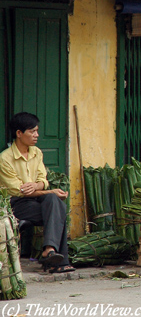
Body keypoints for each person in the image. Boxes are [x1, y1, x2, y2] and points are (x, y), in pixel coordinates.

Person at [0, 112, 74, 273]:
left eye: (37, 131)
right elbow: (17, 191)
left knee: (54, 202)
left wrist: (36, 185)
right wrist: (45, 189)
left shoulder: (36, 152)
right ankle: (57, 261)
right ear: (19, 133)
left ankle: (50, 250)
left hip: (34, 201)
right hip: (15, 204)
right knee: (57, 208)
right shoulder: (5, 159)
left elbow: (43, 180)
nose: (37, 135)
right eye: (32, 131)